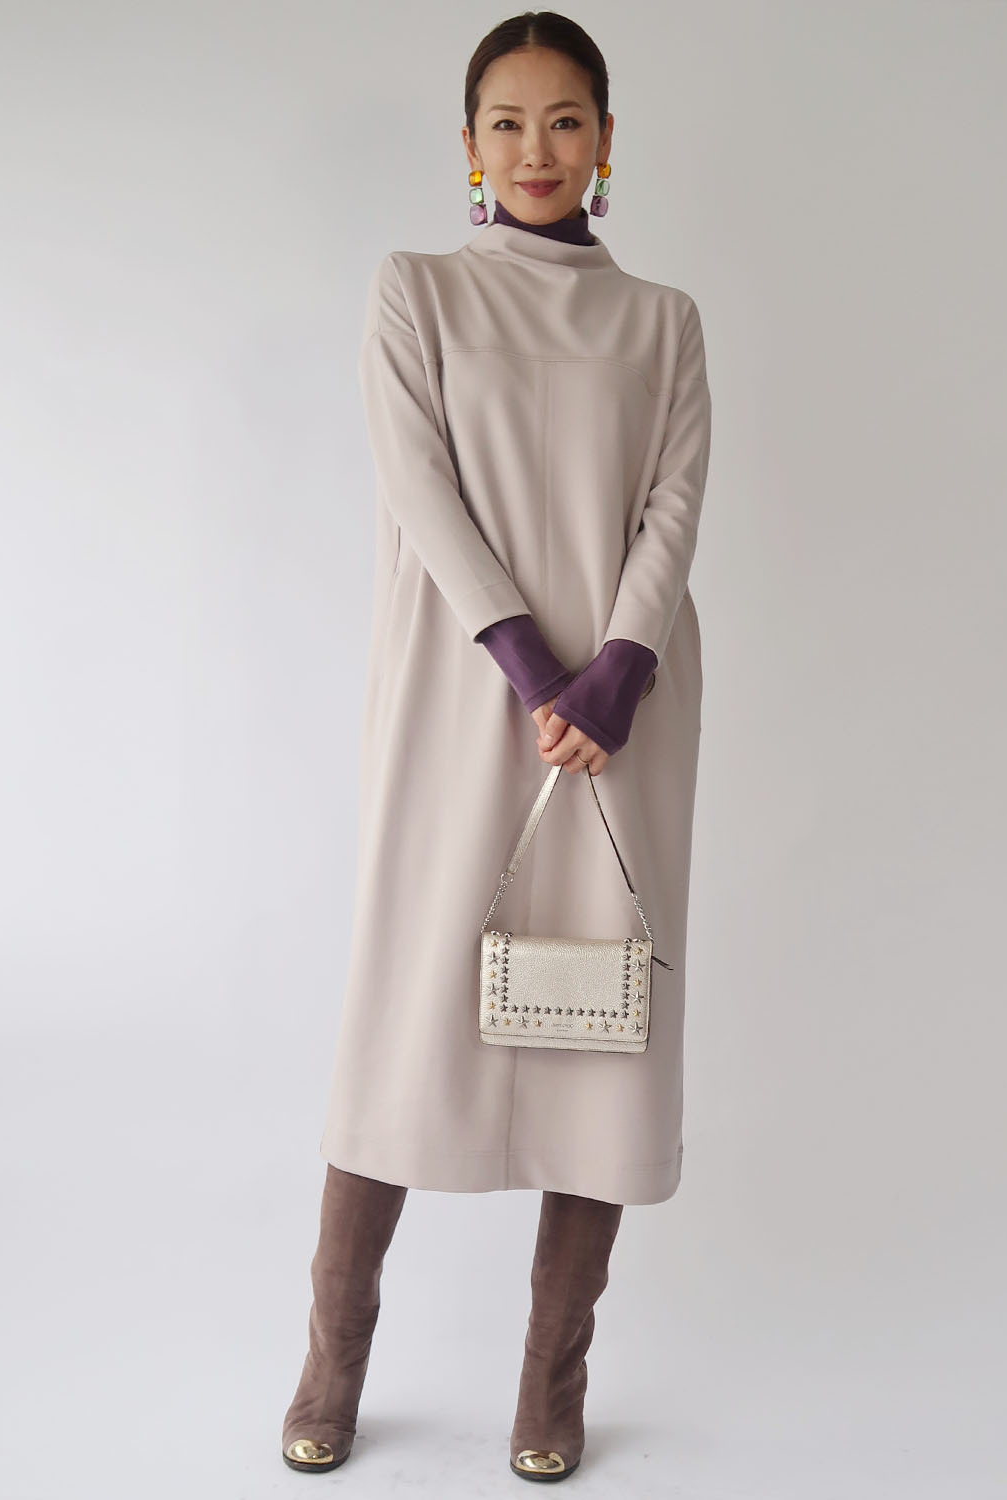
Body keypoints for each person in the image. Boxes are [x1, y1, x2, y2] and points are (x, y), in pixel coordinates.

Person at [281, 9, 712, 1483]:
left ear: (607, 140)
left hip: (622, 716)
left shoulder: (664, 321)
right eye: (509, 123)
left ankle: (553, 1380)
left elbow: (673, 502)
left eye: (566, 120)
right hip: (464, 691)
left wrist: (618, 675)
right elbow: (419, 484)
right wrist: (536, 667)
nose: (538, 149)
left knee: (604, 1021)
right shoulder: (418, 293)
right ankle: (334, 1357)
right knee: (408, 1009)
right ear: (469, 146)